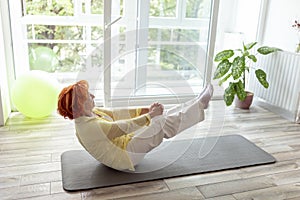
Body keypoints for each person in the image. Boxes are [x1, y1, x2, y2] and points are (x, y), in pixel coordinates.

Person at [57, 80, 213, 171]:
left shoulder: (90, 112)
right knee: (159, 124)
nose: (93, 96)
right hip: (124, 157)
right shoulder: (88, 128)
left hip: (125, 143)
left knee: (160, 119)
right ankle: (199, 105)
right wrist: (150, 115)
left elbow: (118, 114)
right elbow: (122, 127)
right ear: (79, 105)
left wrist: (145, 110)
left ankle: (197, 103)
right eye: (88, 96)